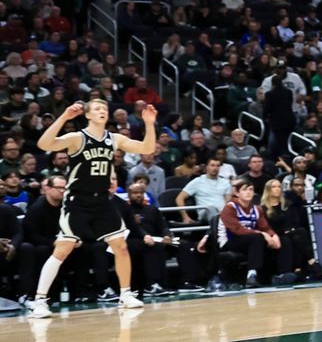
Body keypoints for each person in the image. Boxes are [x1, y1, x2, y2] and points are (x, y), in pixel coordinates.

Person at [28, 100, 158, 317]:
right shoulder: (77, 138)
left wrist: (149, 123)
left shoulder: (113, 139)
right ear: (87, 115)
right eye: (97, 109)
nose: (102, 111)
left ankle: (125, 294)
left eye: (105, 109)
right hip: (77, 202)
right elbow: (44, 144)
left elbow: (147, 148)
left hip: (102, 201)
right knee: (63, 249)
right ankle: (40, 300)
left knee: (121, 246)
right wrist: (64, 117)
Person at [125, 181, 204, 294]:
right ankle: (154, 284)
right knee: (155, 247)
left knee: (182, 244)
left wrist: (167, 235)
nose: (138, 195)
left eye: (141, 192)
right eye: (135, 193)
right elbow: (129, 229)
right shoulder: (127, 211)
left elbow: (163, 226)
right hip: (138, 241)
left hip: (158, 239)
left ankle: (188, 282)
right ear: (129, 195)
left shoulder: (152, 210)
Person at [218, 178, 294, 287]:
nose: (248, 192)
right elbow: (236, 229)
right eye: (244, 190)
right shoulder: (230, 207)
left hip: (250, 240)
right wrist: (263, 234)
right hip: (230, 241)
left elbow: (265, 227)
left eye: (250, 189)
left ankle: (283, 274)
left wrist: (274, 236)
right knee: (257, 237)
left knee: (283, 240)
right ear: (237, 193)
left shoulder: (256, 209)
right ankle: (251, 276)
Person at [176, 158, 233, 223]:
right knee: (211, 208)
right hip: (205, 213)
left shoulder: (225, 182)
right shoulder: (197, 181)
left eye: (218, 166)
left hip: (222, 213)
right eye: (212, 165)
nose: (215, 168)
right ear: (207, 167)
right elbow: (179, 198)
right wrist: (185, 217)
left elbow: (228, 202)